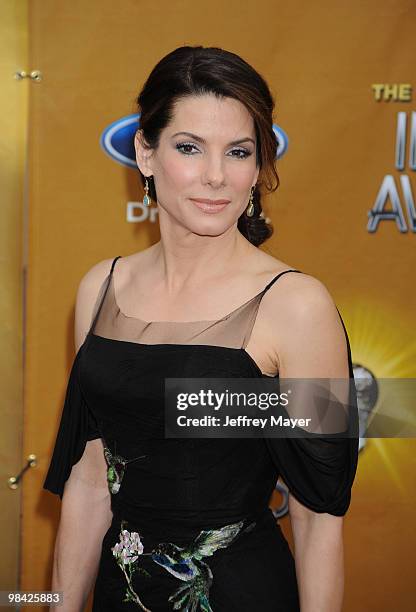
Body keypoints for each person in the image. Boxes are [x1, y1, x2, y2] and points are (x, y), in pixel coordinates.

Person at [43, 45, 359, 612]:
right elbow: (91, 481)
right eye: (189, 148)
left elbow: (318, 517)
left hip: (241, 593)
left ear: (258, 166)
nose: (216, 177)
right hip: (121, 594)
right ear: (146, 152)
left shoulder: (297, 305)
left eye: (238, 152)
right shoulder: (100, 288)